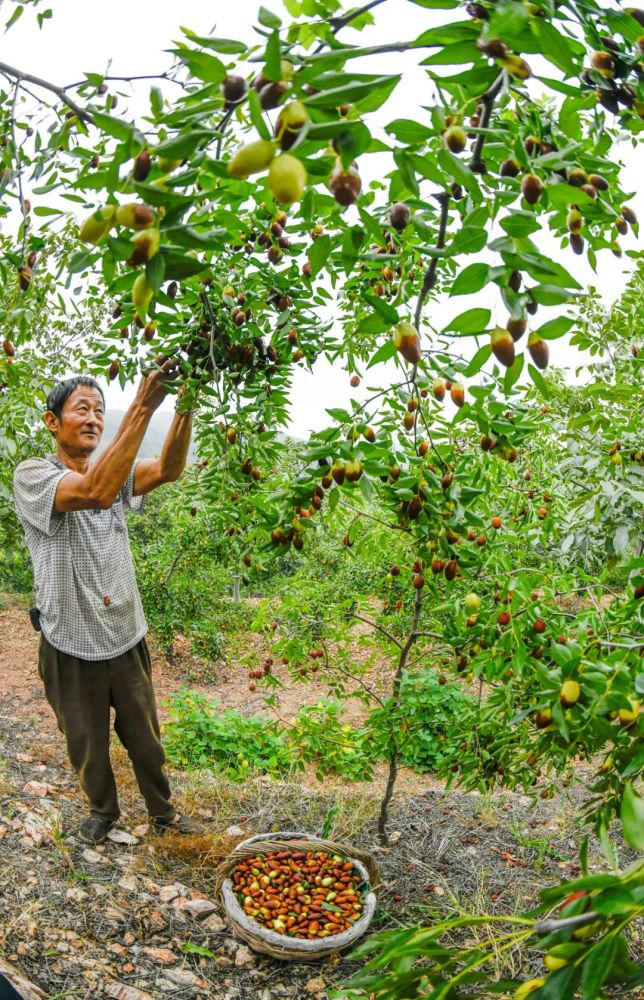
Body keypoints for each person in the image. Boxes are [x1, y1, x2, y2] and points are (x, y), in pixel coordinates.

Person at [12, 362, 204, 845]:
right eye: (82, 409)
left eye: (101, 410)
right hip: (69, 640)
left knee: (145, 739)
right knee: (86, 744)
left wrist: (184, 405)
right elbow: (93, 494)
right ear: (52, 422)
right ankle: (104, 812)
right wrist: (142, 403)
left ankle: (163, 815)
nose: (95, 418)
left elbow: (168, 469)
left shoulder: (112, 471)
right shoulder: (33, 475)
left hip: (124, 632)